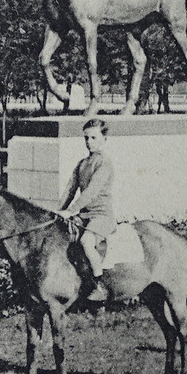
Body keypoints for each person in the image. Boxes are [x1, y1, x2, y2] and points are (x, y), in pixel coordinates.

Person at [57, 117, 117, 305]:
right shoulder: (82, 163)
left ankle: (99, 285)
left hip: (102, 216)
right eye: (86, 138)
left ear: (104, 140)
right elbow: (70, 189)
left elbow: (91, 192)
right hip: (83, 216)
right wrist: (60, 211)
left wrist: (72, 210)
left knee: (86, 241)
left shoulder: (104, 163)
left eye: (93, 138)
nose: (89, 142)